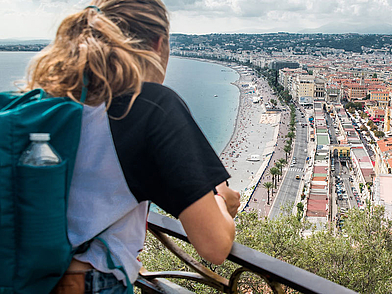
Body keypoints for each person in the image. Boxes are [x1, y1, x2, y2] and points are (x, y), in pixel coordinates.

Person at [25, 0, 240, 293]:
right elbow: (214, 246)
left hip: (25, 275)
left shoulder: (49, 101)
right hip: (90, 283)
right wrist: (221, 201)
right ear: (158, 43)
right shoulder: (149, 106)